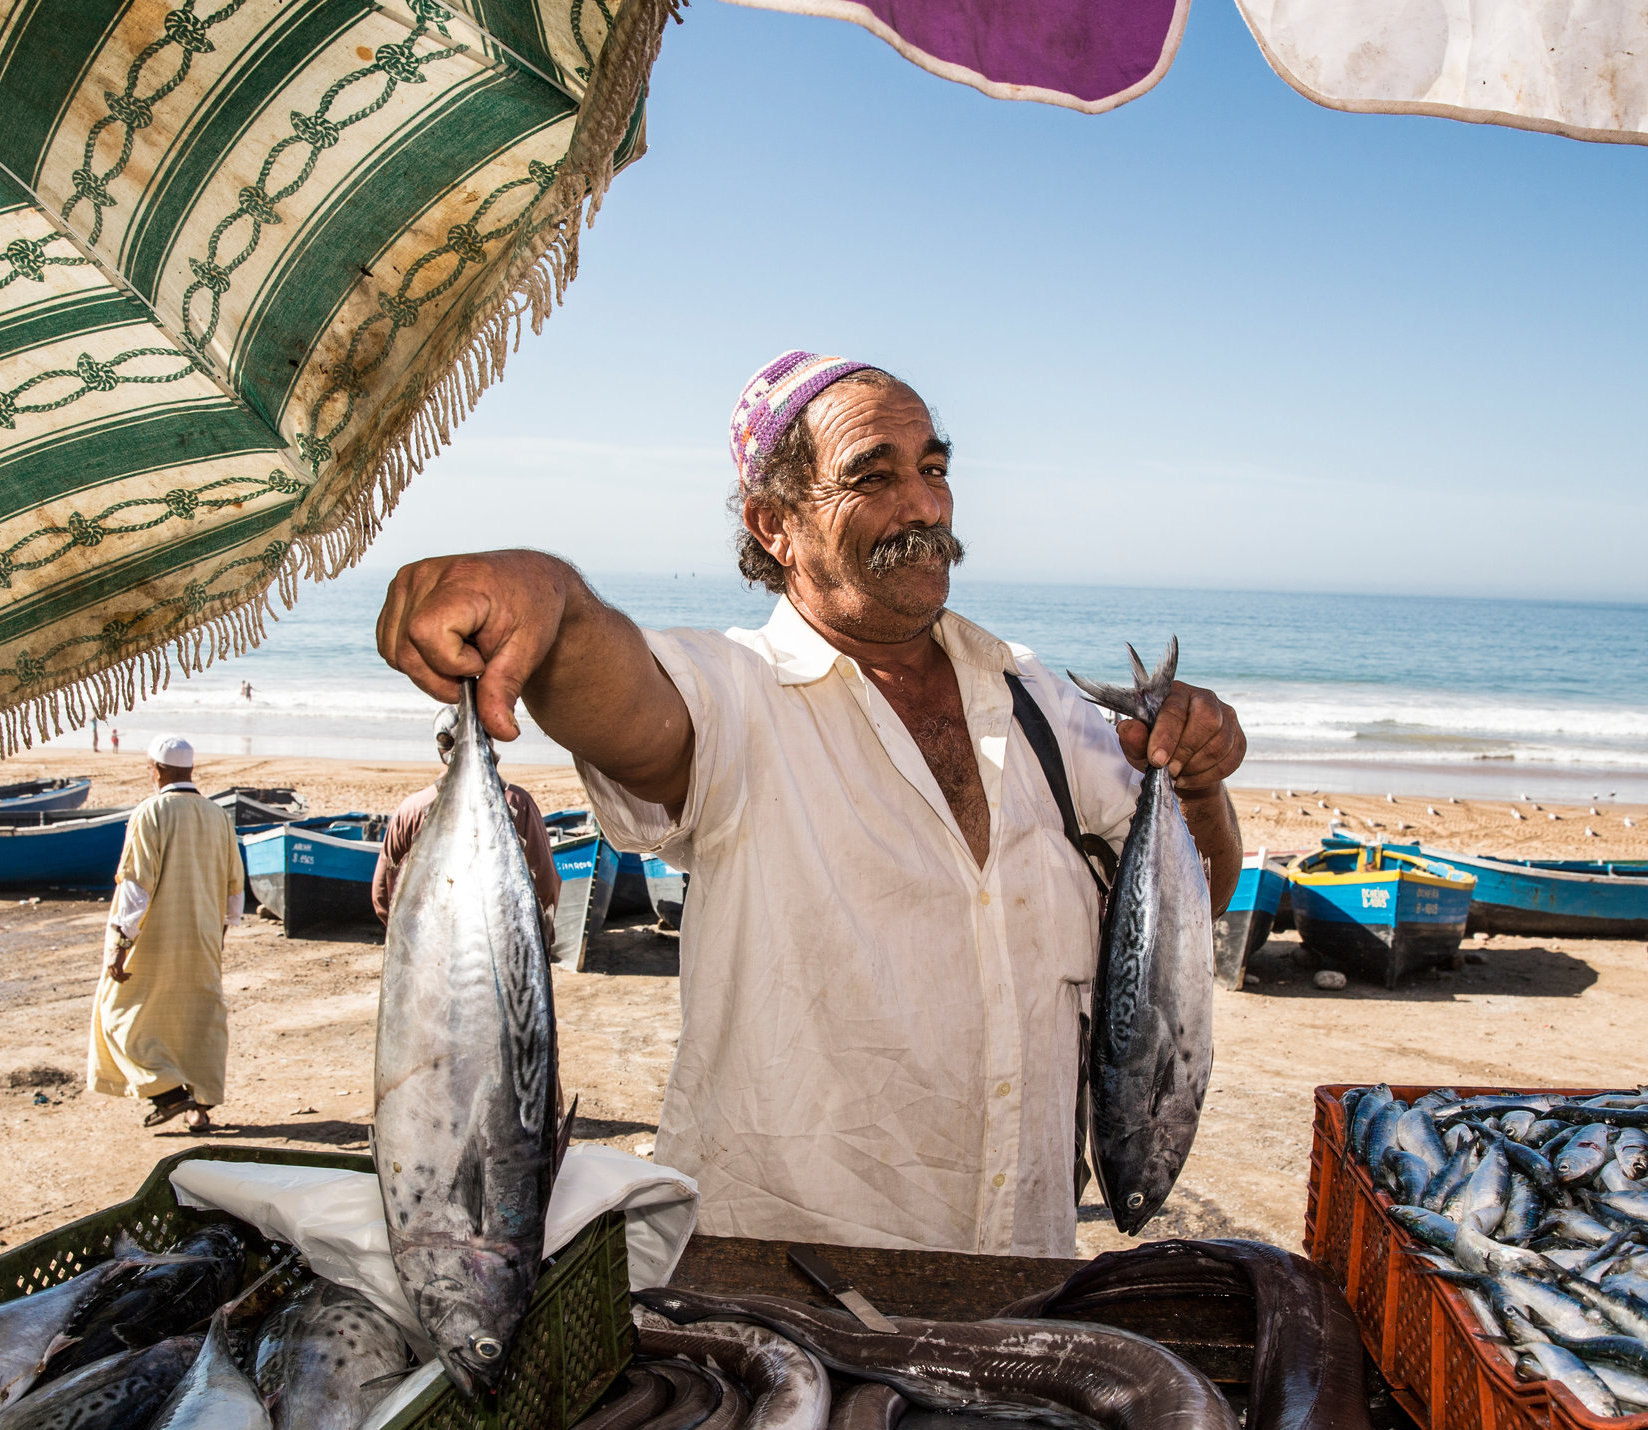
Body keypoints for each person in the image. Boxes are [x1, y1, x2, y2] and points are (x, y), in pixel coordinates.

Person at [375, 351, 1245, 1256]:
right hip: (777, 1297)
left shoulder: (1035, 700)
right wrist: (547, 597)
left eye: (934, 469)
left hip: (1018, 1282)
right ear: (774, 524)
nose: (923, 504)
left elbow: (1196, 902)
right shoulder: (742, 697)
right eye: (873, 475)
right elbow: (630, 701)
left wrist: (1199, 779)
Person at [88, 735, 245, 1134]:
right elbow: (234, 884)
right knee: (199, 1018)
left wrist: (121, 944)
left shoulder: (150, 812)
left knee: (116, 1012)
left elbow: (135, 885)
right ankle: (201, 1105)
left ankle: (170, 1095)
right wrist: (222, 931)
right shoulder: (217, 815)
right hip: (204, 937)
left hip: (155, 939)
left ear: (156, 770)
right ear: (189, 770)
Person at [371, 707, 561, 929]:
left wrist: (411, 940)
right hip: (501, 940)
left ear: (440, 747)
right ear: (489, 742)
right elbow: (545, 886)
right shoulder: (517, 803)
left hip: (429, 945)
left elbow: (384, 893)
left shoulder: (411, 809)